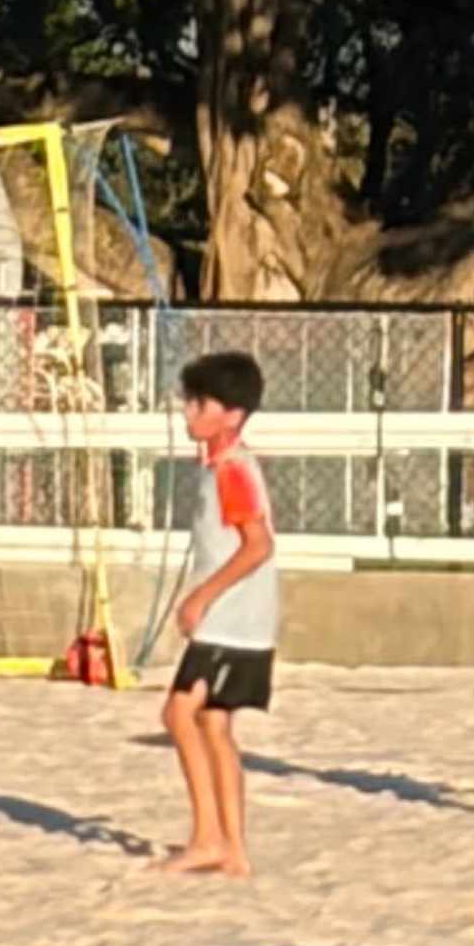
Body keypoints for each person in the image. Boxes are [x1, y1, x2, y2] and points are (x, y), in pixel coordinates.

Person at [159, 349, 280, 878]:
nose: (189, 412)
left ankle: (209, 837)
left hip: (233, 623)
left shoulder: (233, 470)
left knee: (179, 714)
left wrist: (201, 596)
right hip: (231, 622)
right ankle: (231, 847)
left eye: (200, 403)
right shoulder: (218, 466)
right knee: (211, 723)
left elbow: (258, 545)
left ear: (231, 414)